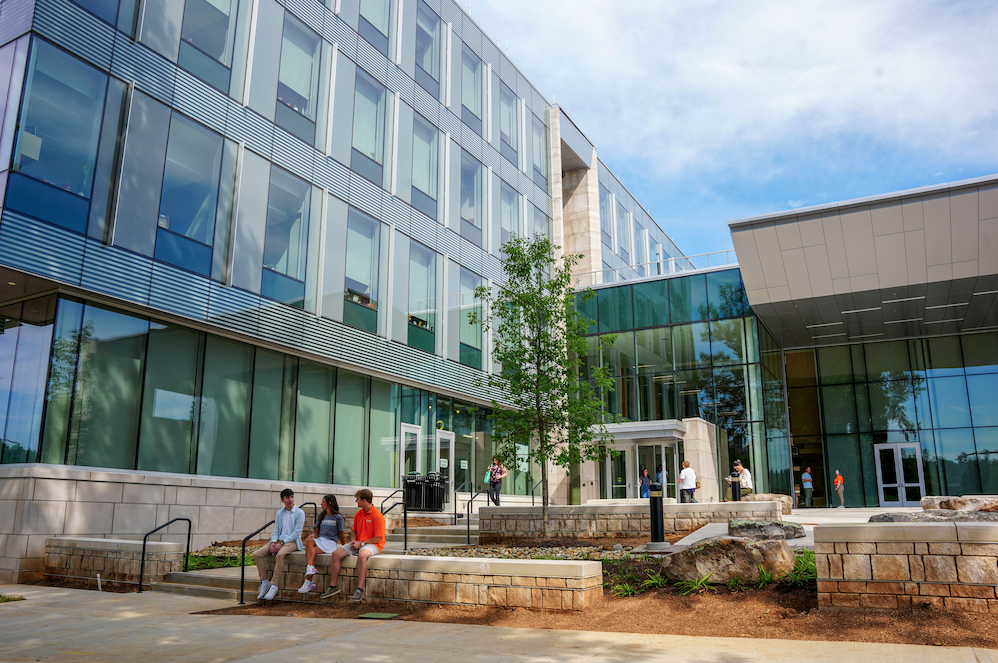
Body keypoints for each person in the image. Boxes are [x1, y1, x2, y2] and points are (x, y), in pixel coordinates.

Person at [327, 489, 385, 602]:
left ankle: (360, 589)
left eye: (357, 499)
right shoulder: (359, 514)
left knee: (362, 555)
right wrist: (354, 541)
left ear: (364, 500)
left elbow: (378, 538)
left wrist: (362, 543)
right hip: (359, 542)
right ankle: (333, 586)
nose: (355, 501)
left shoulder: (377, 515)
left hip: (374, 544)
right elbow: (353, 531)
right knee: (335, 554)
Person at [253, 488, 305, 601]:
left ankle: (274, 586)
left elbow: (296, 533)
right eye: (287, 498)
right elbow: (276, 531)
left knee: (280, 555)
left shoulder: (300, 513)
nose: (290, 500)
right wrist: (272, 543)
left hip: (292, 542)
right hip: (278, 540)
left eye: (291, 497)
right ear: (282, 500)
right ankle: (265, 582)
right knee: (256, 554)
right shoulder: (280, 513)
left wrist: (282, 543)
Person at [299, 494, 347, 595]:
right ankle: (310, 570)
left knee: (309, 551)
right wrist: (313, 535)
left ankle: (309, 581)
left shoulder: (338, 518)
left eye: (323, 502)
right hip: (321, 540)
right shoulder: (321, 516)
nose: (321, 504)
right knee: (309, 541)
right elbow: (316, 532)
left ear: (329, 503)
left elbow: (341, 534)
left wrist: (344, 546)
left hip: (330, 542)